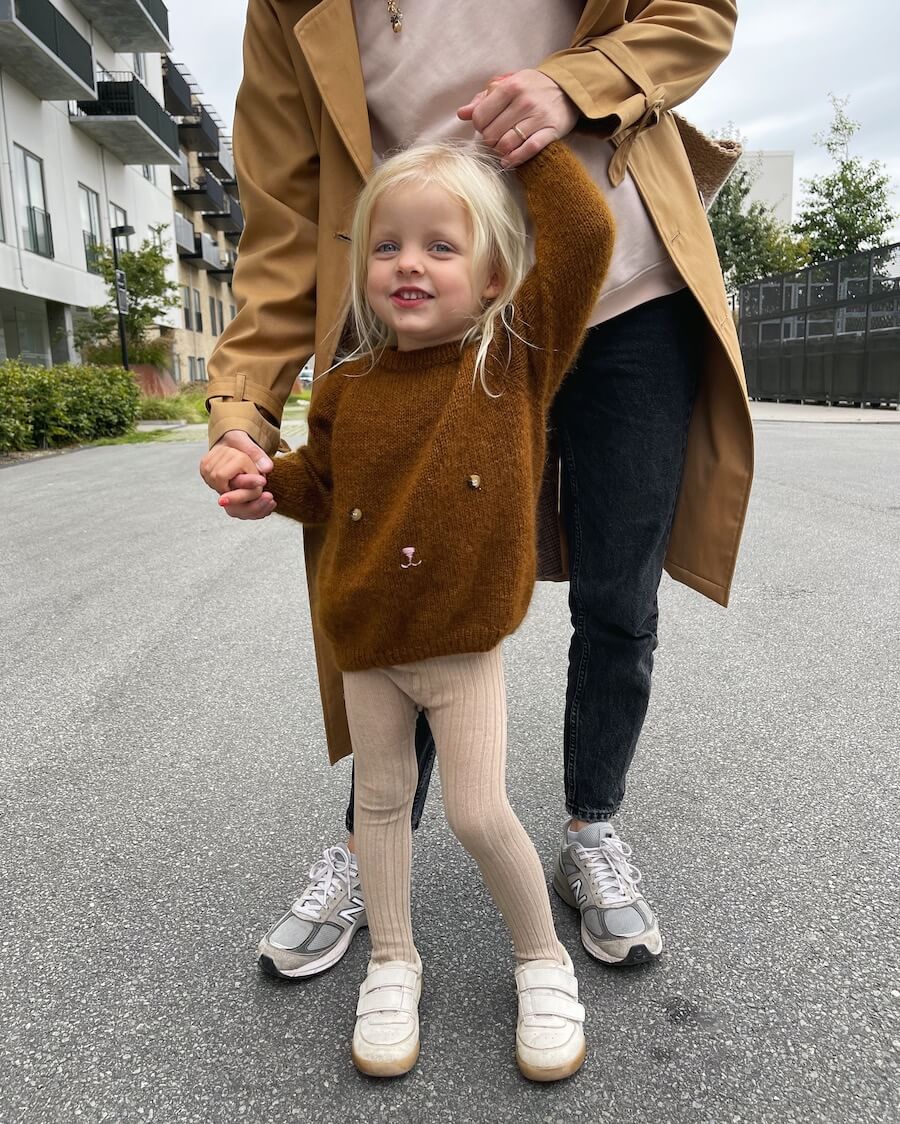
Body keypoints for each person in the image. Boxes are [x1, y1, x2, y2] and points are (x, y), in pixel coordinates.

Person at [201, 1, 753, 984]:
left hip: (623, 282)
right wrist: (245, 417)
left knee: (620, 592)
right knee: (400, 574)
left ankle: (591, 827)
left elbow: (697, 12)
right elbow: (283, 216)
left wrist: (574, 87)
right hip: (423, 313)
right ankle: (374, 840)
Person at [202, 138, 615, 1079]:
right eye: (386, 246)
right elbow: (323, 482)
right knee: (380, 810)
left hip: (461, 645)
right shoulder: (348, 381)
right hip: (365, 639)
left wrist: (529, 141)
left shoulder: (513, 355)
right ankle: (392, 961)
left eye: (440, 245)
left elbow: (587, 234)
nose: (408, 264)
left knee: (476, 812)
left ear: (495, 276)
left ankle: (542, 960)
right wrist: (269, 484)